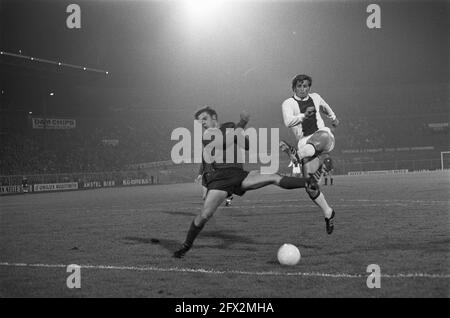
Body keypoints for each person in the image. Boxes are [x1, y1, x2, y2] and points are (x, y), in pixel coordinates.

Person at [173, 106, 319, 258]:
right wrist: (241, 124)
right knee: (205, 214)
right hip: (220, 180)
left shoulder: (229, 126)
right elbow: (223, 143)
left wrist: (239, 132)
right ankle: (186, 246)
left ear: (214, 117)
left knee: (273, 177)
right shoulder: (207, 135)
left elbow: (246, 145)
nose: (202, 123)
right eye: (199, 121)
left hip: (238, 174)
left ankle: (308, 181)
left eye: (204, 118)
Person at [280, 74, 339, 234]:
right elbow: (288, 121)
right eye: (299, 86)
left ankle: (295, 156)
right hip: (305, 143)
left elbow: (325, 107)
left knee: (324, 136)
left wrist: (333, 118)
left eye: (306, 86)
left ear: (309, 88)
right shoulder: (288, 103)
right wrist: (304, 115)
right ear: (294, 88)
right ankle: (328, 212)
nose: (303, 89)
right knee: (311, 186)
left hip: (322, 136)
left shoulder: (316, 97)